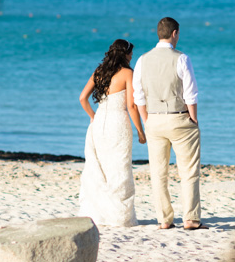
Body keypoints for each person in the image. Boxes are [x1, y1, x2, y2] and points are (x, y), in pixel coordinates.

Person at [133, 17, 206, 230]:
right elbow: (190, 94)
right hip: (179, 118)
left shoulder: (142, 60)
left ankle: (164, 219)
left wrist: (146, 120)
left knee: (158, 173)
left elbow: (139, 97)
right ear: (174, 33)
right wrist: (193, 119)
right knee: (189, 171)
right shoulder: (182, 58)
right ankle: (191, 219)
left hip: (154, 120)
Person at [78, 39, 146, 226]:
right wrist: (141, 131)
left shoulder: (99, 72)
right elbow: (131, 106)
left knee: (99, 169)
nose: (132, 56)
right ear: (124, 54)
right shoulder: (127, 73)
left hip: (99, 123)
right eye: (130, 53)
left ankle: (99, 215)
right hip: (118, 124)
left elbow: (82, 98)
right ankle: (118, 218)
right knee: (119, 169)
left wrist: (93, 117)